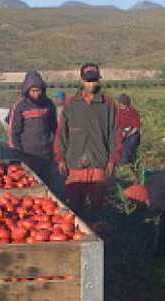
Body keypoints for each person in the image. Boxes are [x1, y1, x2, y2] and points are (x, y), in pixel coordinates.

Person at [55, 63, 121, 215]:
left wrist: (112, 159)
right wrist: (60, 158)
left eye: (94, 80)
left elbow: (115, 134)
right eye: (88, 80)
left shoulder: (108, 104)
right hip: (75, 161)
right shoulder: (71, 104)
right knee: (75, 204)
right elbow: (61, 134)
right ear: (82, 80)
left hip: (99, 161)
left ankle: (97, 230)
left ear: (99, 80)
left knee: (97, 205)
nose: (91, 84)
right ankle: (80, 233)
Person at [8, 70, 57, 187]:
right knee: (29, 184)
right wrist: (17, 152)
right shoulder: (20, 106)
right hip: (27, 154)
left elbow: (54, 126)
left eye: (38, 90)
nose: (36, 93)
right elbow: (13, 131)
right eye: (33, 90)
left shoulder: (48, 104)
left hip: (45, 153)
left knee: (45, 184)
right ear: (27, 90)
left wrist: (54, 147)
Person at [117, 94, 142, 176]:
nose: (121, 106)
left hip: (133, 134)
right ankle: (123, 165)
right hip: (122, 134)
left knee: (127, 147)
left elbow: (136, 128)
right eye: (120, 104)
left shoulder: (133, 112)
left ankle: (126, 166)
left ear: (126, 104)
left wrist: (127, 134)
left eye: (122, 105)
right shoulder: (118, 112)